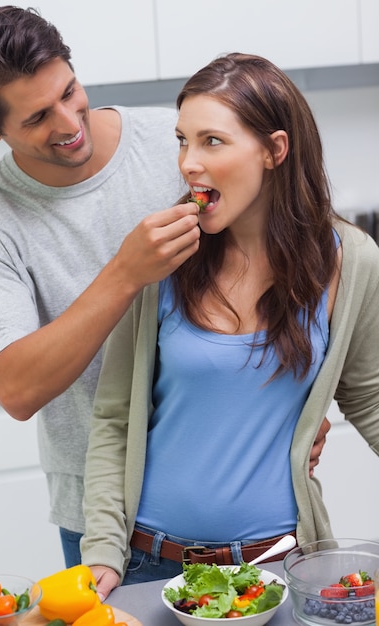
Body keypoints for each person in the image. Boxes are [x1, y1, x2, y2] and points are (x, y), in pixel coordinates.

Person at [0, 9, 327, 567]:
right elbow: (16, 389)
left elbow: (283, 265)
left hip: (251, 509)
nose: (68, 122)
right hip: (105, 519)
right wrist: (125, 273)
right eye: (38, 116)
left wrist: (305, 397)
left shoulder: (178, 143)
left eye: (69, 90)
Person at [81, 52, 379, 601]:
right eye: (182, 140)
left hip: (279, 567)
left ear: (274, 150)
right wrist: (102, 550)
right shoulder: (158, 256)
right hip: (151, 562)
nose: (189, 162)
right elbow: (114, 417)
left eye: (211, 141)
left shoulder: (350, 260)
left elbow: (369, 396)